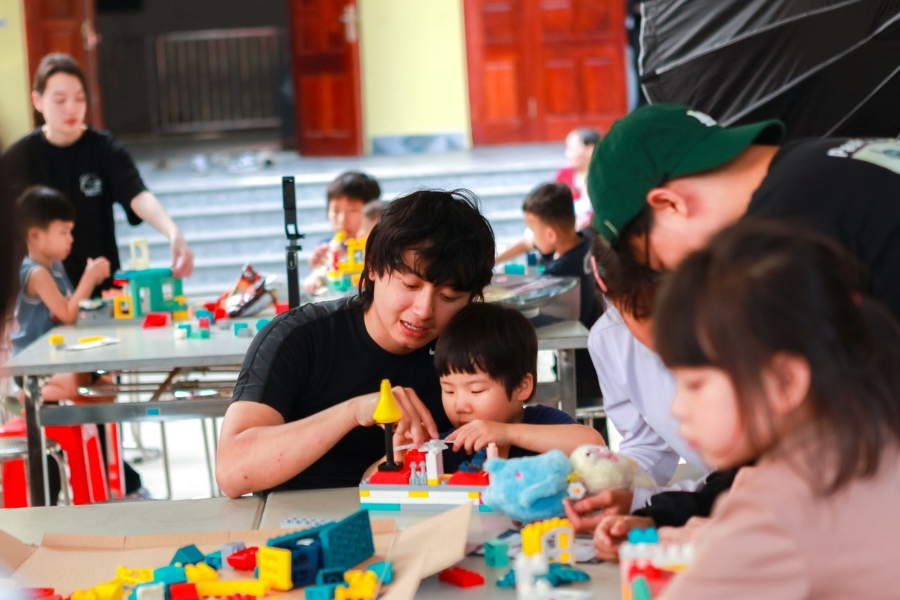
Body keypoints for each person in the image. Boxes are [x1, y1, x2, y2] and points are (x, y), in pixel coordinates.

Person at [653, 221, 900, 598]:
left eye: (696, 385)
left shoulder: (778, 509)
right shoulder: (872, 438)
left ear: (786, 381)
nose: (677, 408)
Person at [217, 189, 496, 497]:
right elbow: (232, 471)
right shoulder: (298, 338)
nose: (424, 311)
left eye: (448, 297)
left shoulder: (473, 352)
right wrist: (353, 412)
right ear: (373, 265)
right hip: (295, 527)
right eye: (410, 285)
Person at [0, 53, 194, 292]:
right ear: (38, 101)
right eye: (60, 100)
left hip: (103, 291)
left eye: (79, 98)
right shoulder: (19, 157)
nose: (71, 108)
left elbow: (137, 194)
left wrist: (173, 232)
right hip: (43, 296)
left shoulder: (103, 148)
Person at [434, 302, 605, 472]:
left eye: (476, 390)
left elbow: (594, 447)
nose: (459, 405)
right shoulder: (452, 445)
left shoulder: (543, 422)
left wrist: (507, 433)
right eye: (449, 390)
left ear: (521, 387)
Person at [11, 186, 112, 401]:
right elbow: (67, 313)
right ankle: (25, 397)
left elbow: (71, 306)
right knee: (73, 384)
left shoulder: (56, 265)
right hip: (32, 363)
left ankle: (77, 430)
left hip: (58, 355)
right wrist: (89, 279)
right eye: (63, 232)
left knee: (107, 387)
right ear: (36, 236)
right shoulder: (35, 272)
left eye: (71, 232)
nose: (71, 239)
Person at [521, 182, 604, 403]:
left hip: (579, 364)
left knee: (583, 417)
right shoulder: (587, 239)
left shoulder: (559, 273)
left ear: (550, 234)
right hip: (598, 355)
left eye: (532, 229)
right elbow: (528, 244)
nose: (531, 237)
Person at [495, 128, 600, 264]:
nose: (567, 154)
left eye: (571, 149)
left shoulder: (600, 181)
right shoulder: (564, 174)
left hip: (571, 236)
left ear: (590, 148)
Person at [303, 171, 382, 293]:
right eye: (335, 210)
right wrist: (316, 271)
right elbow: (317, 281)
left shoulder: (383, 247)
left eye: (353, 210)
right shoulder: (327, 248)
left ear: (372, 212)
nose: (342, 220)